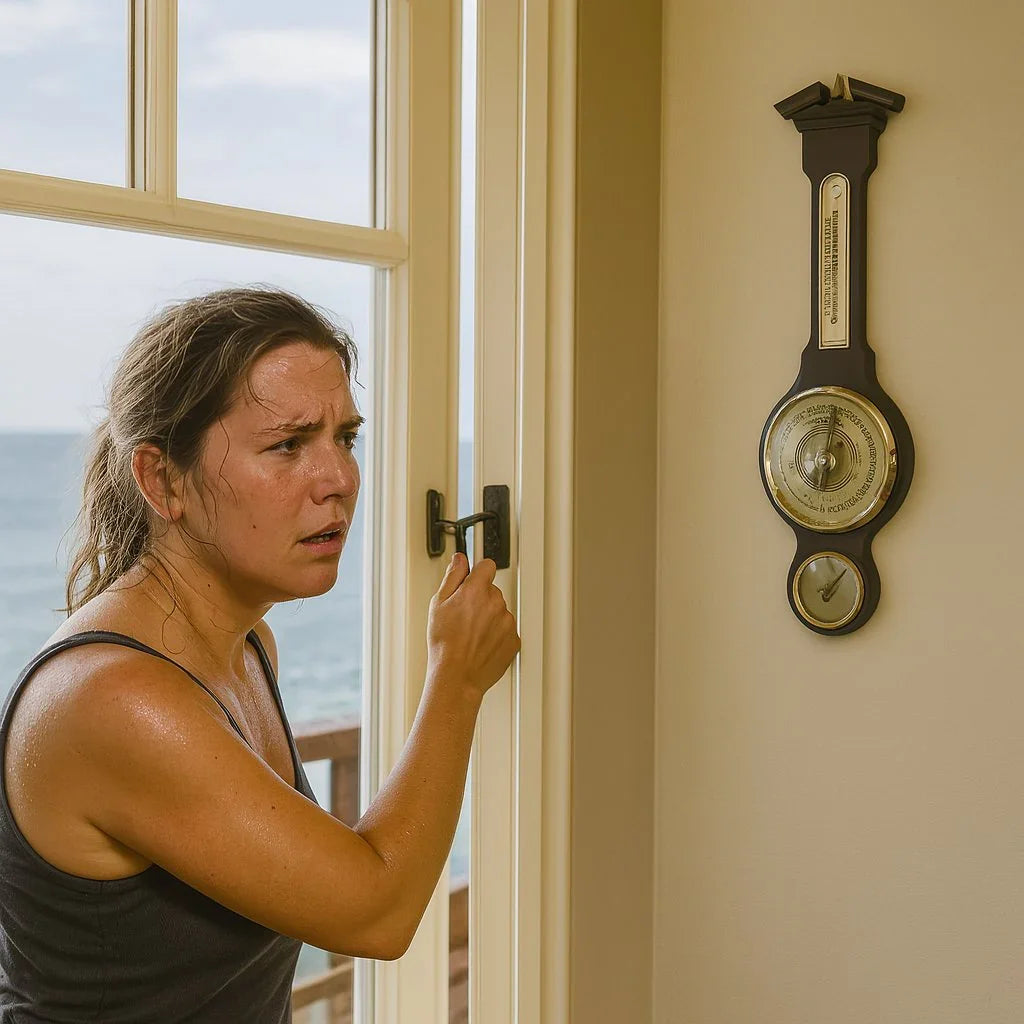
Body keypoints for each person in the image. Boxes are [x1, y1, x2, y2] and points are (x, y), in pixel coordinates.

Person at [0, 285, 520, 1023]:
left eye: (346, 436)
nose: (340, 480)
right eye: (287, 444)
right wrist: (456, 680)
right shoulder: (115, 699)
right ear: (161, 480)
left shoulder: (247, 649)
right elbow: (376, 912)